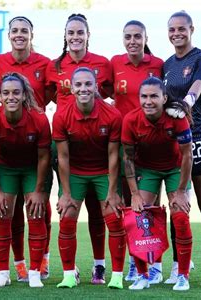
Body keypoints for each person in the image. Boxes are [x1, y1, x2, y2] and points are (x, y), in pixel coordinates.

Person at [46, 13, 114, 285]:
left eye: (80, 32)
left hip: (97, 141)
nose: (75, 37)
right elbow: (42, 98)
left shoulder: (103, 64)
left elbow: (111, 98)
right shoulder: (54, 66)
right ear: (65, 36)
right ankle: (68, 268)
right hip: (66, 143)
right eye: (70, 33)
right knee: (68, 204)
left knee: (100, 210)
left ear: (88, 35)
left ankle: (99, 266)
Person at [163, 11, 201, 288]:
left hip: (198, 136)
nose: (176, 33)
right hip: (174, 141)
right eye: (172, 29)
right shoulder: (166, 65)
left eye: (181, 28)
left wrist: (188, 99)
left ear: (191, 29)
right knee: (177, 202)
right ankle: (178, 265)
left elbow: (198, 84)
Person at [53, 67, 126, 289]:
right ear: (71, 88)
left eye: (88, 84)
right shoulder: (61, 116)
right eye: (78, 85)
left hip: (104, 172)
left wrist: (113, 192)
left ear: (96, 87)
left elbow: (114, 155)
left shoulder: (112, 115)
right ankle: (68, 274)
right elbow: (63, 158)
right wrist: (66, 194)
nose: (83, 88)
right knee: (66, 218)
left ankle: (117, 276)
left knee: (114, 218)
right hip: (74, 172)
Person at [0, 16, 53, 281]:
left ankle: (41, 262)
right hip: (8, 149)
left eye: (24, 31)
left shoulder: (45, 64)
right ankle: (13, 266)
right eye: (14, 30)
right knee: (8, 211)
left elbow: (50, 95)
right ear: (9, 34)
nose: (19, 34)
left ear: (31, 34)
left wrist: (32, 113)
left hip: (35, 142)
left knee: (40, 208)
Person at [0, 72, 51, 288]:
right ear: (0, 96)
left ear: (23, 95)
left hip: (32, 169)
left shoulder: (38, 119)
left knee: (36, 214)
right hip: (5, 168)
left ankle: (35, 272)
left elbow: (44, 157)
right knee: (2, 215)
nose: (11, 97)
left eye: (16, 93)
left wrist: (38, 190)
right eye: (6, 93)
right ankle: (3, 273)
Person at [121, 76, 193, 291]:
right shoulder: (131, 120)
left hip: (176, 169)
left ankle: (183, 275)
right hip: (148, 170)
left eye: (154, 96)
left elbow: (187, 156)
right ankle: (143, 275)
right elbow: (128, 159)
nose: (148, 101)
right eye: (144, 96)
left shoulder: (177, 119)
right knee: (137, 216)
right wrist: (134, 194)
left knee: (180, 215)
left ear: (164, 98)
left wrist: (181, 191)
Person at [110, 20, 164, 283]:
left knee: (151, 207)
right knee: (127, 208)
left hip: (152, 144)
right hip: (124, 143)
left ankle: (155, 263)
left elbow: (166, 96)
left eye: (137, 36)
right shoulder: (114, 64)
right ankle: (135, 261)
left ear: (145, 38)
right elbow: (104, 92)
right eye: (128, 36)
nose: (132, 41)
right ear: (123, 39)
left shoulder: (157, 64)